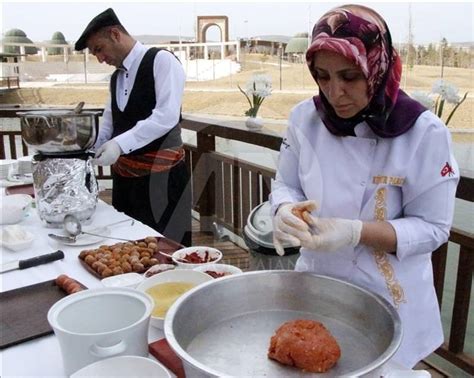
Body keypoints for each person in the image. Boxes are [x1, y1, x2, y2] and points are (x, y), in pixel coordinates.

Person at [270, 4, 459, 368]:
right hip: (317, 283)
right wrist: (284, 210)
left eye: (349, 76)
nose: (334, 93)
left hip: (389, 295)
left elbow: (434, 228)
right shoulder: (303, 119)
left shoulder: (423, 132)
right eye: (322, 77)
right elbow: (285, 183)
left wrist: (355, 232)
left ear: (378, 64)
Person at [74, 8, 191, 246]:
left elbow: (166, 116)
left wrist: (119, 144)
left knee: (167, 251)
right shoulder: (115, 77)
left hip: (162, 182)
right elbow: (109, 123)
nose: (99, 58)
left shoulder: (162, 60)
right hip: (125, 182)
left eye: (99, 49)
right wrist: (88, 148)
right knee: (129, 249)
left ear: (115, 34)